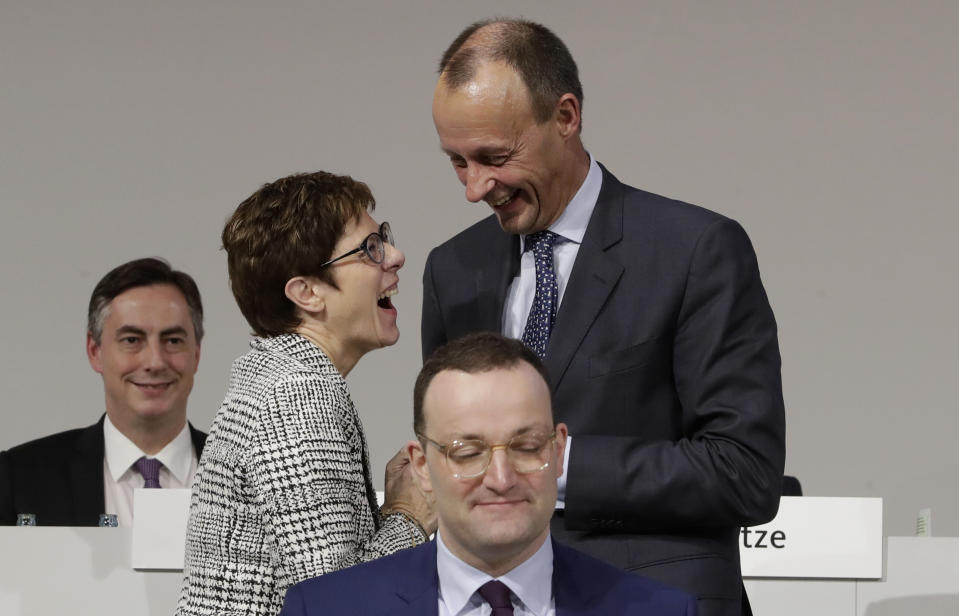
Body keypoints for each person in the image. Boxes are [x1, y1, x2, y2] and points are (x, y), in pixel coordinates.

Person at [421, 18, 786, 616]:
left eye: (494, 157)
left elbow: (744, 470)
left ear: (566, 117)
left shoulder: (694, 250)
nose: (475, 187)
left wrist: (552, 465)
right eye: (457, 161)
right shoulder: (452, 271)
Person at [281, 332, 697, 615]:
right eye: (468, 452)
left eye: (527, 447)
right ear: (421, 466)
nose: (501, 478)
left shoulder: (661, 611)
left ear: (557, 449)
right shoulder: (326, 609)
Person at [177, 171, 435, 616]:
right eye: (371, 248)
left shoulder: (281, 376)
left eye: (385, 238)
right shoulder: (297, 394)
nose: (396, 256)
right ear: (307, 292)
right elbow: (337, 603)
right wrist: (410, 517)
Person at [0, 257, 206, 527]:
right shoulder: (18, 478)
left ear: (196, 354)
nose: (155, 362)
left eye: (173, 340)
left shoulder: (255, 481)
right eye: (132, 340)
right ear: (95, 351)